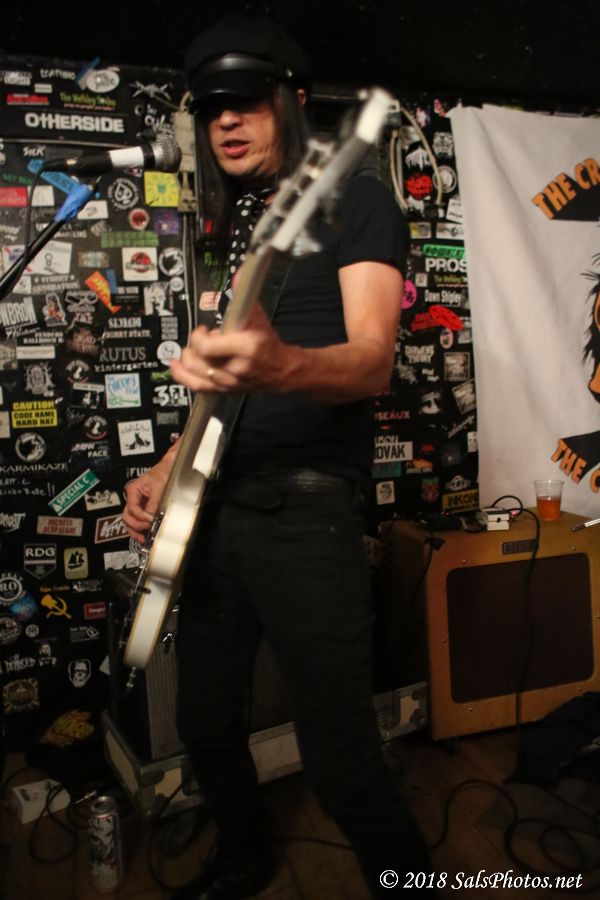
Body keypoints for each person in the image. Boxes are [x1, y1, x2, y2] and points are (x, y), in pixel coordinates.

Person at [122, 14, 431, 899]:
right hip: (216, 508)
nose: (226, 119)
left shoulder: (357, 199)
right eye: (210, 105)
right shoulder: (242, 227)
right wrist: (164, 468)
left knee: (340, 755)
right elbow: (228, 388)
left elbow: (371, 360)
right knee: (205, 721)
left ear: (293, 100)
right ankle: (245, 860)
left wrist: (283, 365)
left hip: (304, 511)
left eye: (247, 99)